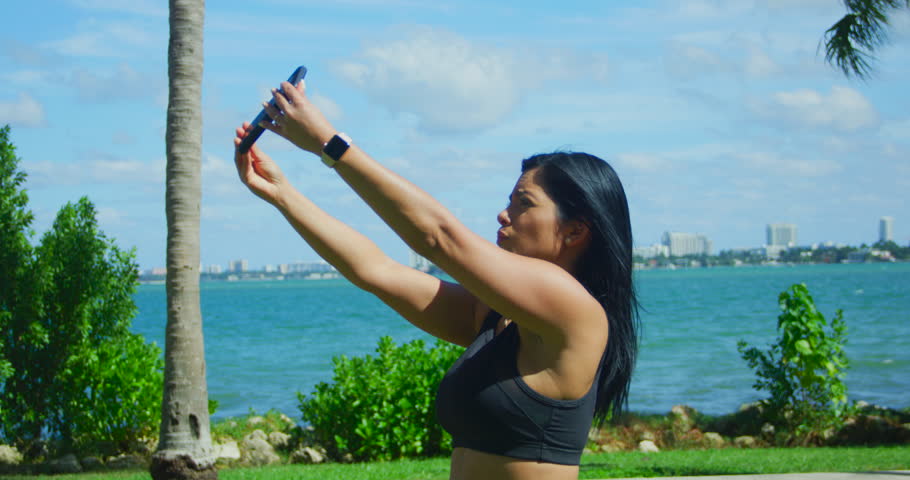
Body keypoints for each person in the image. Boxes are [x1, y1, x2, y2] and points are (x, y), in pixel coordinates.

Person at [233, 79, 639, 480]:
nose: (504, 214)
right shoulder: (494, 317)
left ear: (574, 232)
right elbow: (377, 271)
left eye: (524, 204)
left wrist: (328, 141)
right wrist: (282, 193)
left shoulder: (573, 310)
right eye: (508, 201)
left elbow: (439, 238)